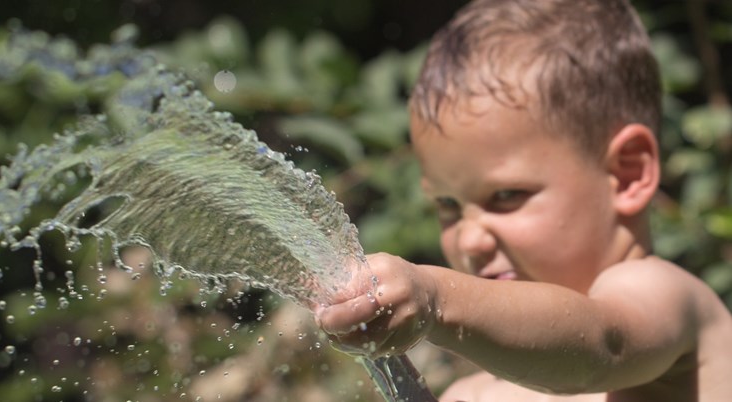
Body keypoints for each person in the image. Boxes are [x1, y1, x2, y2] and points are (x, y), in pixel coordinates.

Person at [314, 0, 732, 400]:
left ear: (627, 175)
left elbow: (602, 346)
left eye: (506, 196)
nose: (469, 240)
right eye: (448, 206)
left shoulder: (667, 300)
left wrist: (436, 298)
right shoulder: (478, 394)